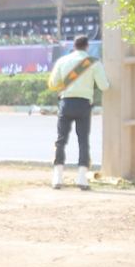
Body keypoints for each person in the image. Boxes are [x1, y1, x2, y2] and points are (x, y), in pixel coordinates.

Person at [46, 35, 108, 189]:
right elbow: (104, 86)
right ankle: (82, 179)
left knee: (61, 140)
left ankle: (57, 177)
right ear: (87, 47)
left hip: (66, 102)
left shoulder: (62, 61)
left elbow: (53, 84)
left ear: (74, 46)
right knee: (83, 141)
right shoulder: (93, 63)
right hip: (83, 104)